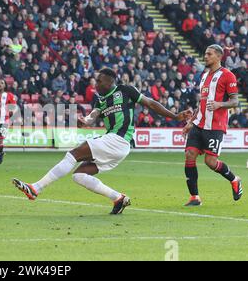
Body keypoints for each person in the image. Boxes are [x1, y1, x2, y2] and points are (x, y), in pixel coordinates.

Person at [13, 68, 192, 214]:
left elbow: (151, 103)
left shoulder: (125, 90)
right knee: (79, 176)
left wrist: (175, 116)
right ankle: (118, 198)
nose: (95, 84)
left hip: (118, 140)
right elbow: (92, 117)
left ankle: (35, 188)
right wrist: (85, 121)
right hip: (116, 145)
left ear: (109, 81)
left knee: (72, 155)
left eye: (99, 81)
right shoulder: (100, 100)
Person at [182, 44, 242, 206]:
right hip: (199, 124)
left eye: (209, 54)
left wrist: (219, 104)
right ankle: (194, 197)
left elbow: (235, 101)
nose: (205, 56)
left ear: (218, 56)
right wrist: (191, 122)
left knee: (210, 162)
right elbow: (201, 102)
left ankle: (234, 179)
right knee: (189, 155)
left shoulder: (228, 75)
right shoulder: (204, 75)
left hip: (215, 126)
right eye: (205, 53)